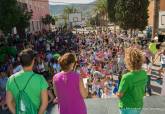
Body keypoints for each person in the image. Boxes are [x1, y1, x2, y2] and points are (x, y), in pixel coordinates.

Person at [6, 48, 48, 114]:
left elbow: (9, 102)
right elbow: (44, 103)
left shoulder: (11, 79)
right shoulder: (40, 78)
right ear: (33, 61)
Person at [117, 47, 148, 114]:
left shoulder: (127, 77)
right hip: (139, 105)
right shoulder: (144, 73)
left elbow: (120, 94)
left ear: (128, 61)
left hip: (127, 107)